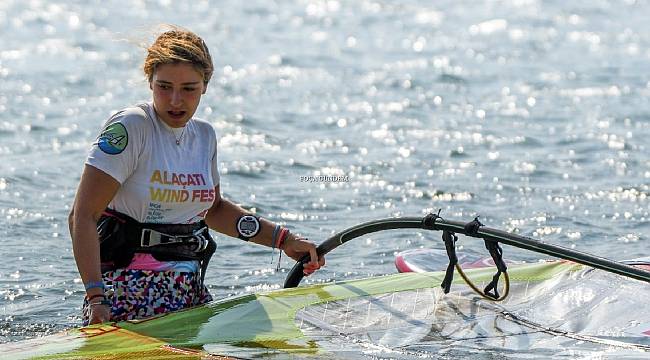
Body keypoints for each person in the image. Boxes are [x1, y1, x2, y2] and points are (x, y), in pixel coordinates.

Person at [69, 26, 325, 326]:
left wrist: (284, 240)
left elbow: (213, 210)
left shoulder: (204, 135)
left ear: (205, 85)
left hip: (190, 290)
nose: (175, 100)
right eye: (164, 86)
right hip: (125, 294)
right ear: (149, 81)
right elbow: (81, 216)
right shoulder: (131, 126)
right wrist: (97, 298)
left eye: (189, 89)